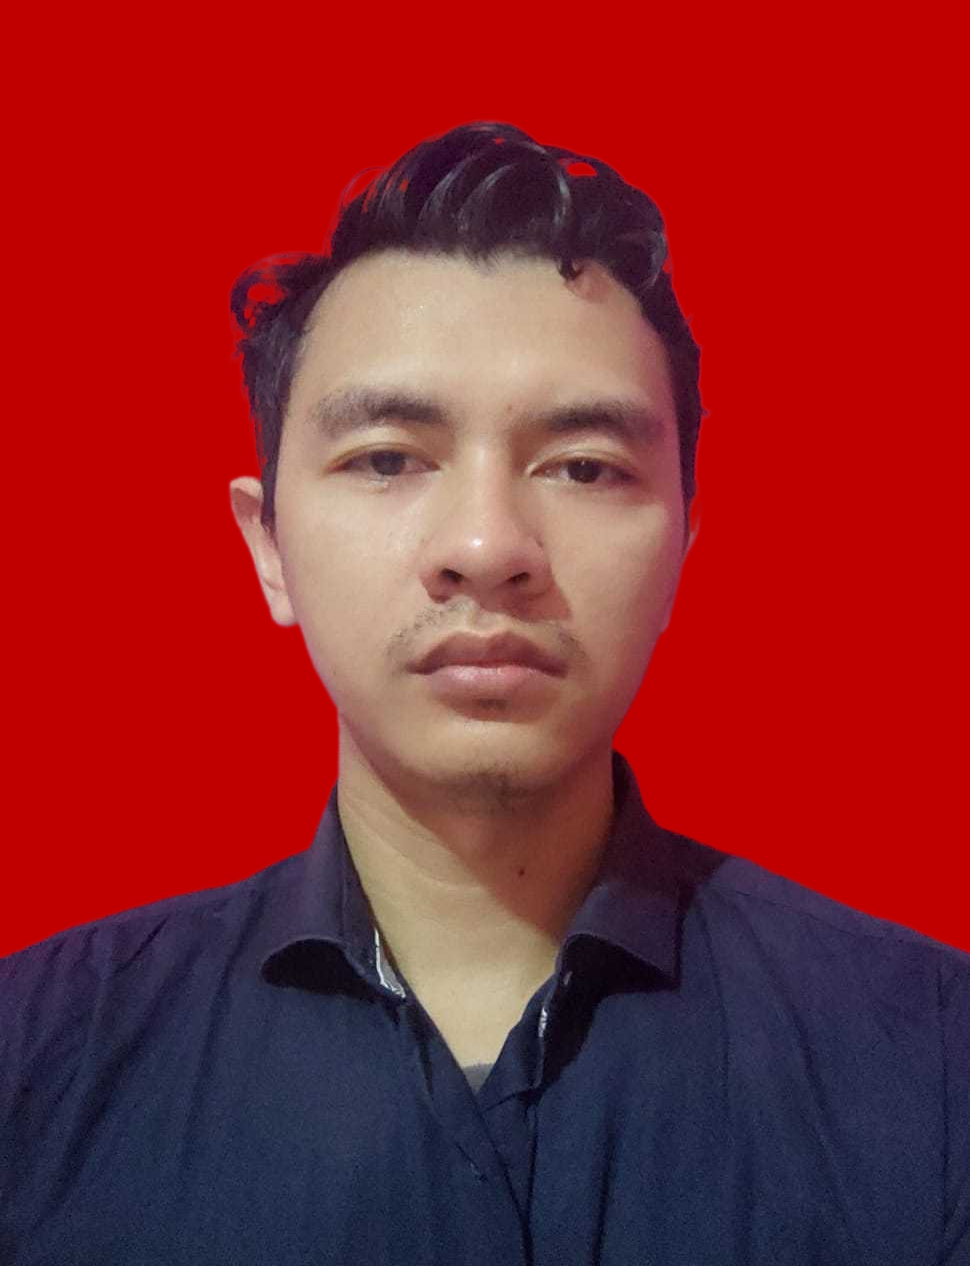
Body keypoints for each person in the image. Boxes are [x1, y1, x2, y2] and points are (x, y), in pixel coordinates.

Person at [1, 120, 967, 1265]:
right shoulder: (36, 1061)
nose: (486, 546)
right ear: (268, 549)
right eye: (388, 458)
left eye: (584, 467)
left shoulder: (932, 1060)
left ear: (682, 544)